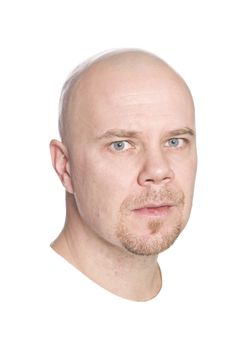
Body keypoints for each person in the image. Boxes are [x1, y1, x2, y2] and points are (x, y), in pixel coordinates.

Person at [49, 48, 197, 302]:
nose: (158, 170)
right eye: (121, 145)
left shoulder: (220, 303)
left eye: (174, 141)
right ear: (65, 166)